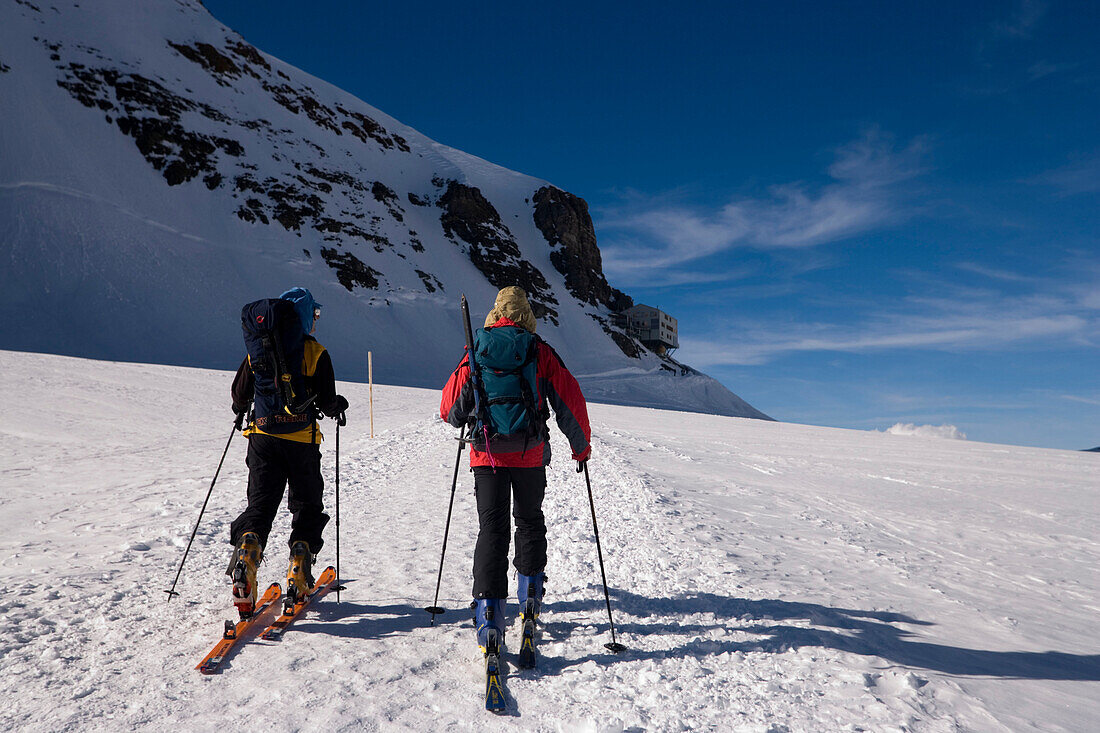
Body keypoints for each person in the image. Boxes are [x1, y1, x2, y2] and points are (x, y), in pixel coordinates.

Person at [439, 286, 591, 654]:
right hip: (529, 454)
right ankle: (530, 598)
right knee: (529, 521)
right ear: (527, 315)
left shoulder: (478, 349)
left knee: (492, 529)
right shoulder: (539, 350)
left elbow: (449, 410)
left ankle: (489, 611)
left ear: (495, 313)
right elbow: (569, 399)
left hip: (486, 455)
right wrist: (580, 447)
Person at [227, 287, 348, 616]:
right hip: (301, 442)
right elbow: (326, 400)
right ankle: (299, 567)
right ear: (305, 317)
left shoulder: (259, 351)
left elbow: (240, 394)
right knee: (307, 507)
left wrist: (242, 408)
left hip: (263, 438)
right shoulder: (316, 352)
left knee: (261, 506)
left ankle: (247, 554)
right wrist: (337, 406)